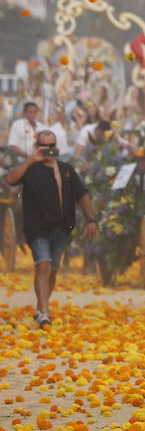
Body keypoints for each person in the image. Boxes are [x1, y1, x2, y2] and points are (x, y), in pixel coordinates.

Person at [5, 127, 98, 326]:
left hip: (62, 227)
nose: (48, 149)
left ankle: (41, 308)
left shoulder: (66, 169)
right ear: (37, 146)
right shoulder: (30, 168)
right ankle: (45, 312)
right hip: (37, 227)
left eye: (52, 145)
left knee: (51, 270)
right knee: (43, 264)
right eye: (44, 146)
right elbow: (11, 179)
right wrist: (32, 159)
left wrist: (90, 219)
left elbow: (82, 195)